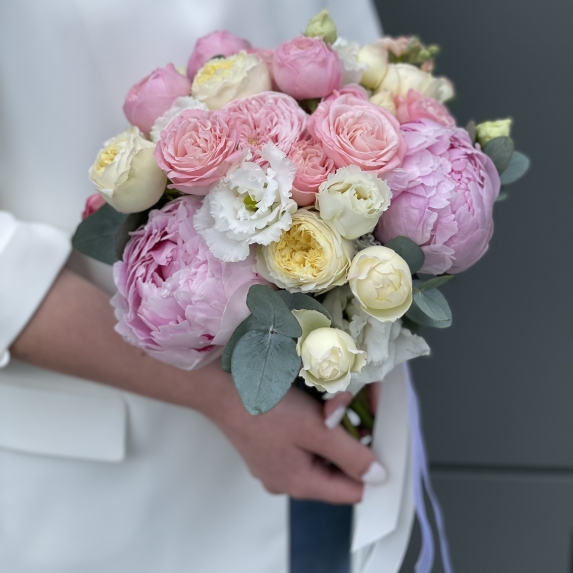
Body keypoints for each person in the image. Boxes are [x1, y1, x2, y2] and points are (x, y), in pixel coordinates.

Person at [0, 1, 384, 572]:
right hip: (116, 478)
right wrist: (220, 397)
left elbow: (364, 74)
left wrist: (370, 329)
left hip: (328, 420)